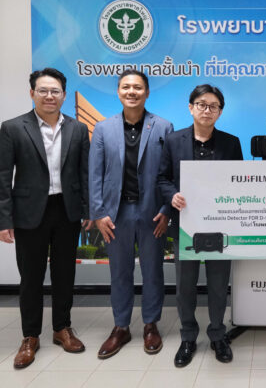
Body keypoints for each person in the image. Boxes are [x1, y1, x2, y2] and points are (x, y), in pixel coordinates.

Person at [0, 68, 90, 369]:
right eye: (43, 90)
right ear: (32, 93)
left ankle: (62, 328)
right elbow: (3, 176)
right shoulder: (13, 128)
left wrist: (88, 210)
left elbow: (84, 173)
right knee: (31, 277)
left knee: (65, 273)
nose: (49, 96)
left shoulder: (78, 129)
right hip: (29, 212)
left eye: (55, 91)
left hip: (67, 209)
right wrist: (4, 219)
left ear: (63, 95)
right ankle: (30, 336)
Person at [89, 70, 173, 359]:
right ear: (118, 92)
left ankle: (151, 325)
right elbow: (95, 173)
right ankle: (121, 327)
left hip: (153, 213)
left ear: (147, 92)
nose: (132, 92)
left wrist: (166, 210)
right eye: (126, 87)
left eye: (138, 87)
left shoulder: (163, 126)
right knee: (120, 272)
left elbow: (170, 173)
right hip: (116, 214)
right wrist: (99, 213)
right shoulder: (103, 128)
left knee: (153, 272)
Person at [157, 84, 243, 367]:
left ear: (220, 112)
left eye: (213, 106)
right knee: (185, 285)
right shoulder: (173, 141)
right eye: (202, 104)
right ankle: (188, 337)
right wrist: (173, 196)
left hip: (220, 225)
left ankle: (218, 335)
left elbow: (239, 181)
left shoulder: (231, 143)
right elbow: (162, 179)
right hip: (186, 224)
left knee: (218, 284)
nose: (207, 110)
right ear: (191, 107)